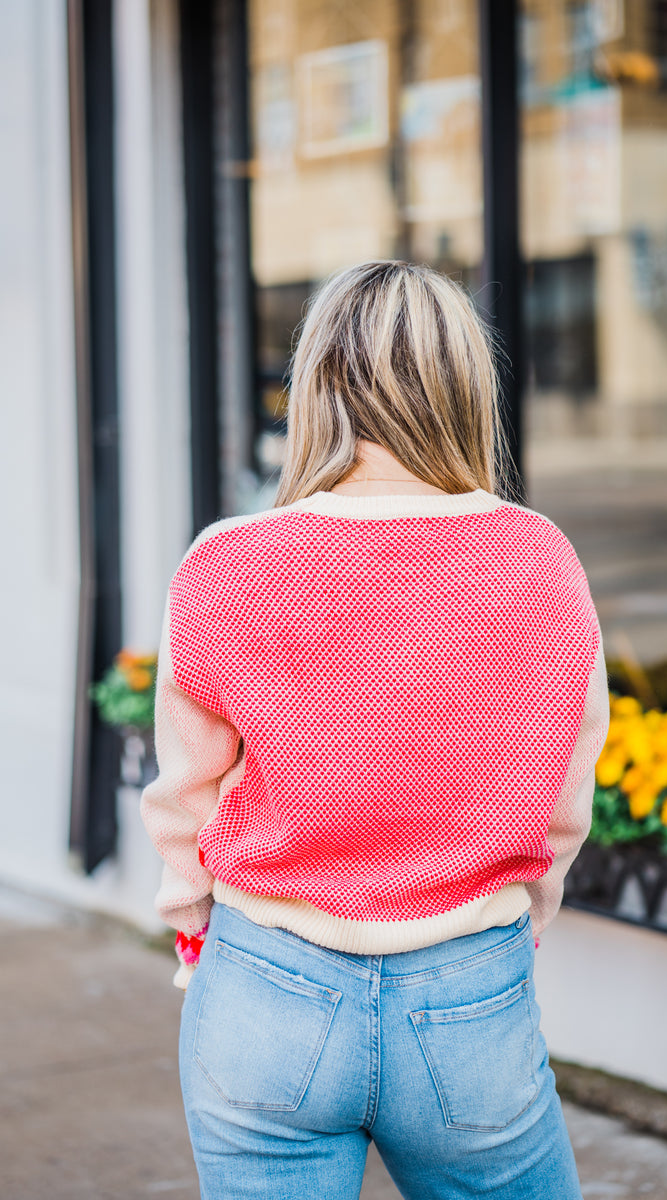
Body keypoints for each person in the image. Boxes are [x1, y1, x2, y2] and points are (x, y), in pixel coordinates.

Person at [140, 260, 609, 1200]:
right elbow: (561, 798)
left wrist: (193, 924)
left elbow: (185, 797)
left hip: (264, 988)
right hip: (469, 989)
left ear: (316, 386)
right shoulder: (538, 557)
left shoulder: (226, 562)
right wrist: (514, 921)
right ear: (463, 388)